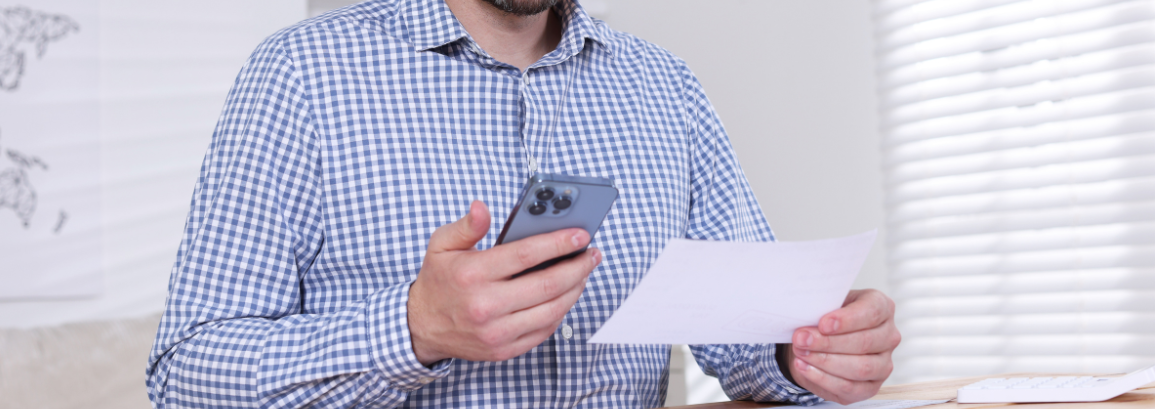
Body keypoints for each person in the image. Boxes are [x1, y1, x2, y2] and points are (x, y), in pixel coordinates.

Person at [145, 0, 900, 407]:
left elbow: (748, 339)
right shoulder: (302, 74)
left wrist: (810, 351)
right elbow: (186, 375)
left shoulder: (666, 87)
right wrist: (413, 329)